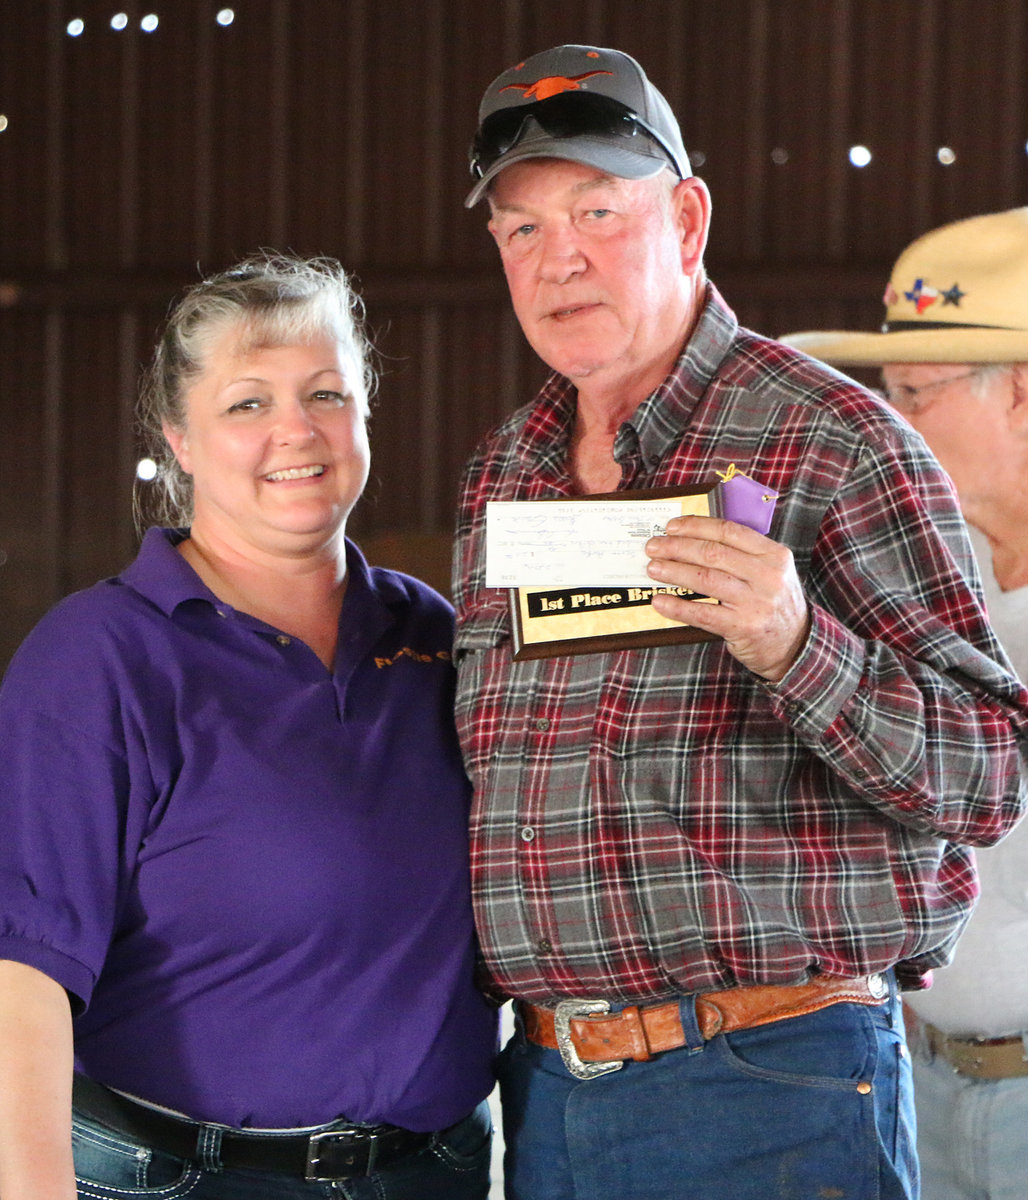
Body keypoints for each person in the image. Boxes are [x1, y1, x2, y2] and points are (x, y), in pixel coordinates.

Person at [453, 43, 1028, 1200]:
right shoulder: (504, 471)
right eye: (520, 230)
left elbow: (987, 775)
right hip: (550, 1092)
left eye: (597, 212)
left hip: (772, 1080)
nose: (558, 259)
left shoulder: (835, 440)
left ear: (685, 218)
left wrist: (792, 642)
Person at [0, 254, 497, 1200]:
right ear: (179, 438)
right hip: (189, 1177)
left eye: (325, 393)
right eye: (247, 405)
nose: (296, 431)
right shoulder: (98, 657)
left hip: (434, 1172)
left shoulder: (434, 635)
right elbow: (19, 978)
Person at [781, 208, 1028, 1200]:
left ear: (1019, 394)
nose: (883, 428)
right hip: (922, 1082)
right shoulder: (920, 581)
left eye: (911, 396)